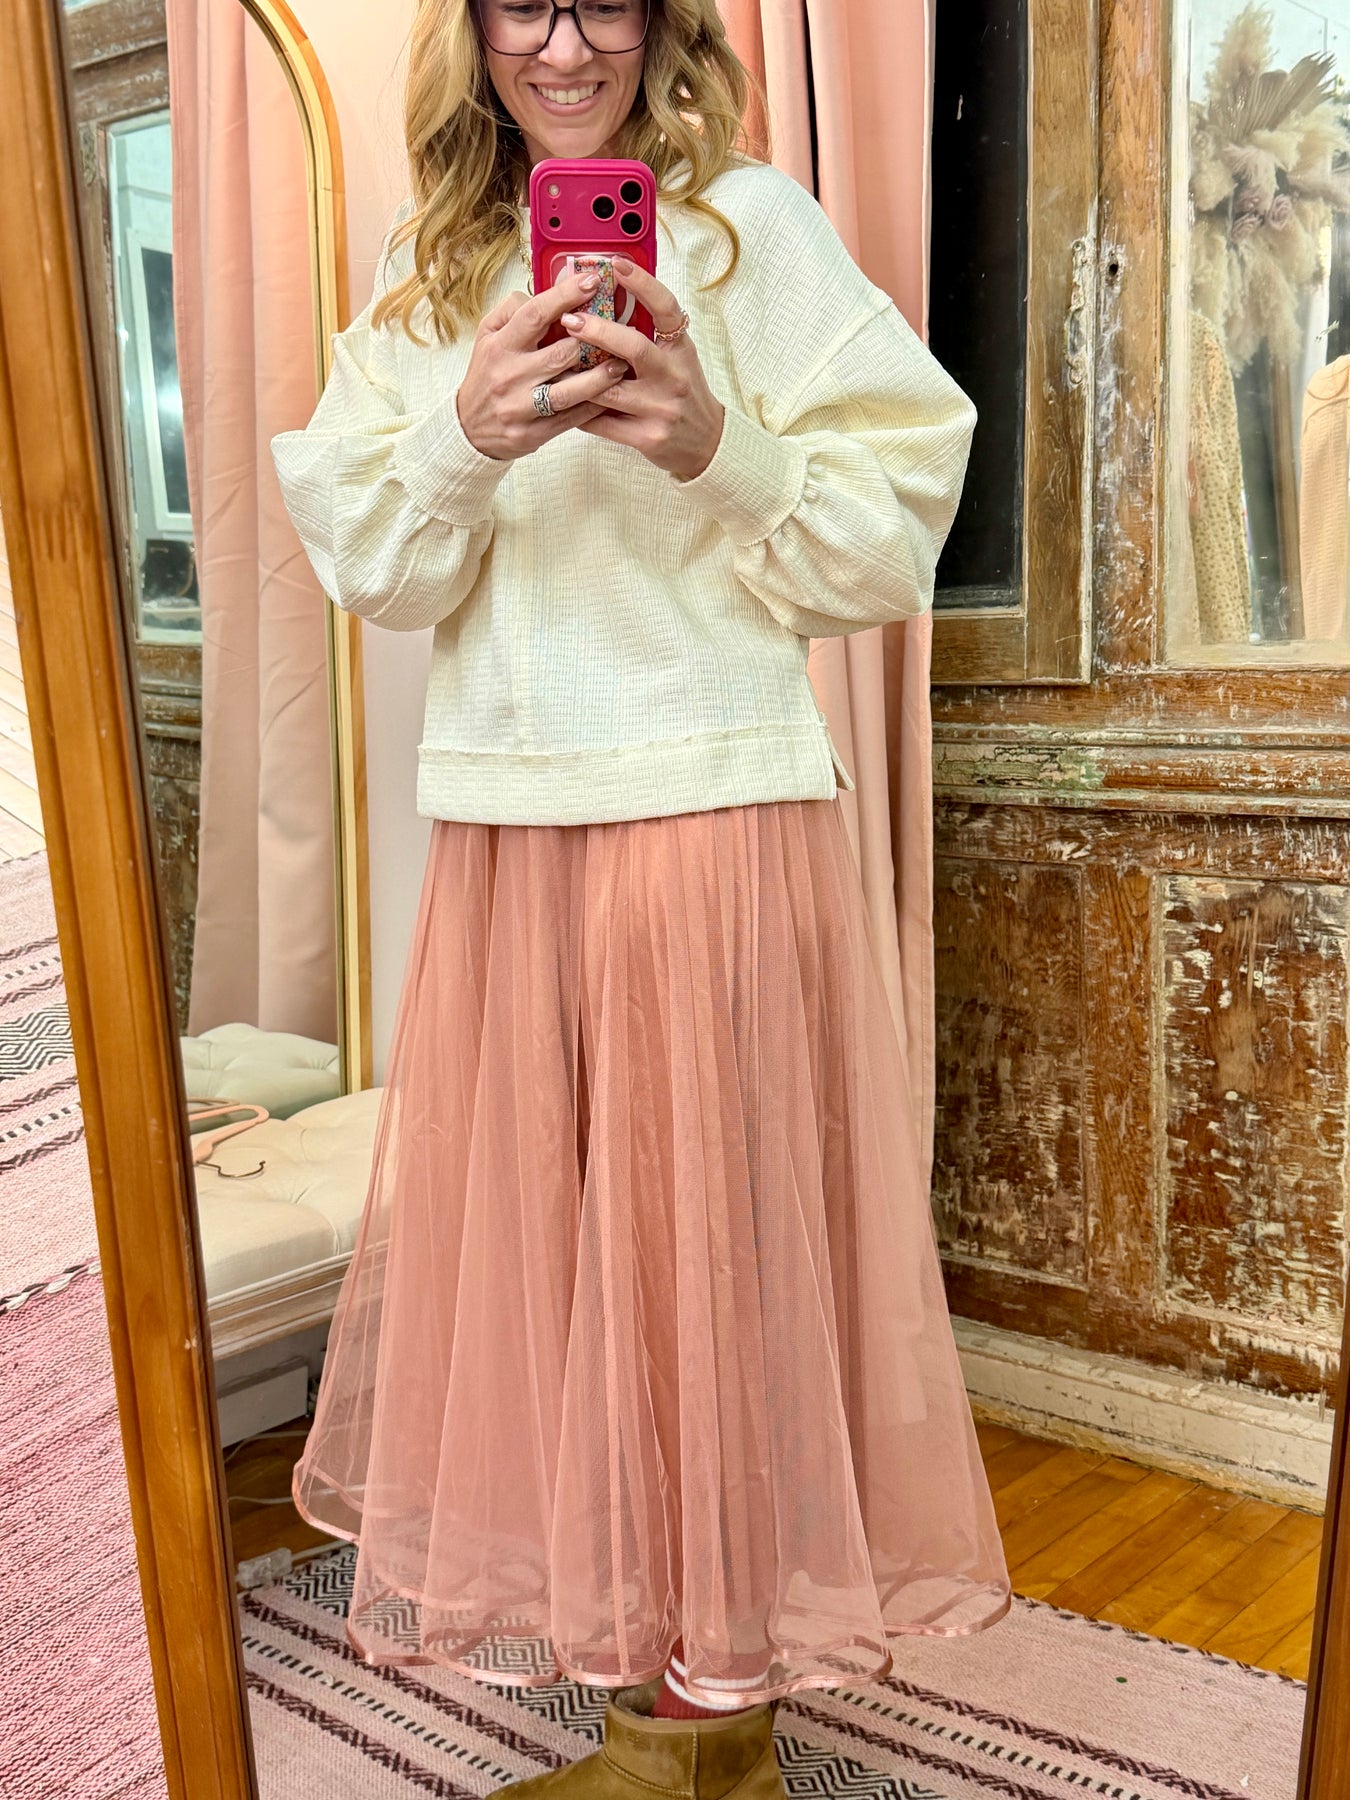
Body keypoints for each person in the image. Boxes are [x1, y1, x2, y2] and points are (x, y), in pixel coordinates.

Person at [271, 0, 1011, 1793]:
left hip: (709, 807)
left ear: (663, 17)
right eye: (519, 1)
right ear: (469, 29)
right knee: (556, 1287)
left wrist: (712, 442)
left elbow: (890, 531)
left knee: (710, 1277)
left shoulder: (752, 229)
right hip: (508, 822)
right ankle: (647, 1688)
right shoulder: (429, 271)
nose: (562, 43)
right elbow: (371, 561)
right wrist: (462, 435)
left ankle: (711, 1721)